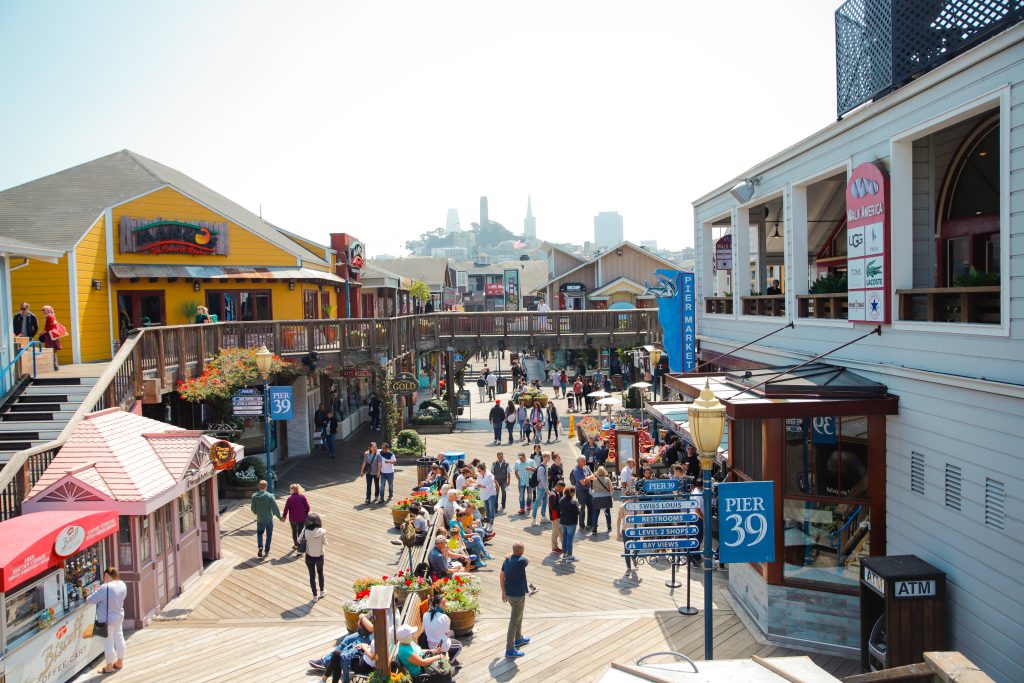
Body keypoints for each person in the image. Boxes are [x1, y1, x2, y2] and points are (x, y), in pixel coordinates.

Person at [86, 567, 129, 674]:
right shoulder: (122, 584)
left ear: (106, 575)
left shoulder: (105, 587)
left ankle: (109, 667)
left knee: (108, 642)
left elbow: (89, 600)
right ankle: (119, 662)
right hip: (119, 615)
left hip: (107, 620)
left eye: (104, 576)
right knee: (119, 637)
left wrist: (94, 592)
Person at [501, 541, 531, 658]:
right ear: (522, 551)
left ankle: (518, 638)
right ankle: (509, 649)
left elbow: (502, 575)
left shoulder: (506, 561)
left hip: (509, 593)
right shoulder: (522, 561)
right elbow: (528, 559)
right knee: (514, 621)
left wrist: (503, 591)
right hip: (518, 594)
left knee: (519, 615)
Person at [423, 593, 463, 665]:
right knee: (459, 646)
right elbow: (446, 632)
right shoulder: (443, 616)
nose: (445, 605)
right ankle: (451, 663)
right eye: (443, 603)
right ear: (436, 605)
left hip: (431, 644)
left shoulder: (425, 614)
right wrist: (448, 622)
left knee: (452, 633)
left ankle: (453, 659)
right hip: (440, 646)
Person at [298, 512, 328, 600]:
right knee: (320, 573)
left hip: (309, 556)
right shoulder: (322, 531)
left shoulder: (305, 530)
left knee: (312, 575)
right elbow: (325, 543)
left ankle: (315, 596)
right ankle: (322, 592)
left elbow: (299, 540)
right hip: (319, 556)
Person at [250, 479, 281, 558]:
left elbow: (253, 508)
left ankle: (260, 547)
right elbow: (275, 508)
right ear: (266, 487)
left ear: (259, 486)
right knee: (269, 534)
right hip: (269, 519)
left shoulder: (254, 496)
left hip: (260, 519)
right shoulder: (270, 496)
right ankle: (267, 550)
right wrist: (280, 517)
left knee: (260, 533)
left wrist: (257, 512)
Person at [570, 456, 595, 533]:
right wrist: (588, 479)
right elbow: (583, 483)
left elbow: (593, 476)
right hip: (581, 492)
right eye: (583, 460)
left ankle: (589, 524)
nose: (585, 461)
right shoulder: (576, 470)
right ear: (579, 462)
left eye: (585, 460)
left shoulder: (586, 467)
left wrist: (587, 478)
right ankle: (582, 526)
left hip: (588, 490)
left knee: (591, 507)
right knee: (582, 509)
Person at [282, 483, 310, 550]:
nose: (290, 491)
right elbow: (308, 507)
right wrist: (305, 513)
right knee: (300, 532)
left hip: (293, 519)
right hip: (302, 518)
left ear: (293, 490)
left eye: (290, 490)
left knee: (294, 532)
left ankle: (296, 545)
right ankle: (301, 547)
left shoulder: (290, 499)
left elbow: (286, 509)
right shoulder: (302, 497)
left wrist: (284, 516)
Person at [558, 485, 580, 562]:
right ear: (571, 492)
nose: (575, 493)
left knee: (564, 538)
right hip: (571, 523)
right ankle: (570, 556)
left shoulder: (561, 499)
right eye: (574, 492)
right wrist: (579, 507)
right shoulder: (573, 502)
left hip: (563, 522)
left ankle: (564, 554)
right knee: (570, 539)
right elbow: (578, 512)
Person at [39, 305, 65, 370]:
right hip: (50, 335)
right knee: (52, 350)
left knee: (51, 350)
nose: (43, 311)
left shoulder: (50, 317)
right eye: (42, 310)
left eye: (44, 310)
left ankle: (55, 365)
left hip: (50, 336)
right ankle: (54, 365)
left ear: (48, 310)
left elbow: (49, 327)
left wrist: (43, 332)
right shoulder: (49, 317)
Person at [616, 504, 638, 576]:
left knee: (638, 547)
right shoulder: (622, 506)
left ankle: (634, 557)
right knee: (627, 549)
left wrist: (642, 529)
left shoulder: (639, 505)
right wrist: (618, 532)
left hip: (637, 531)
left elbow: (642, 517)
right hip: (626, 530)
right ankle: (628, 567)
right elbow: (619, 519)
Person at [591, 466, 614, 533]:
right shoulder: (607, 479)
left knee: (595, 514)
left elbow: (594, 489)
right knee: (607, 513)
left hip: (597, 498)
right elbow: (611, 489)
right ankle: (609, 527)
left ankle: (594, 529)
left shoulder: (594, 479)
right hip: (606, 498)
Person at [531, 452, 550, 526]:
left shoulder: (545, 466)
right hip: (541, 489)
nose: (549, 458)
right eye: (548, 457)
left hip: (544, 488)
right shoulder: (542, 468)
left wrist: (547, 488)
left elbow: (545, 479)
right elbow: (542, 480)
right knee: (537, 503)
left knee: (545, 503)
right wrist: (547, 490)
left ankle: (543, 517)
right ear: (545, 457)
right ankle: (534, 519)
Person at [548, 481, 565, 554]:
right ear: (558, 486)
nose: (562, 490)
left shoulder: (556, 493)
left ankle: (564, 545)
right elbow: (553, 507)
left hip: (558, 516)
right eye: (562, 489)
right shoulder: (553, 494)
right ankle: (554, 547)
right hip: (555, 516)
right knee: (555, 533)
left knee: (560, 532)